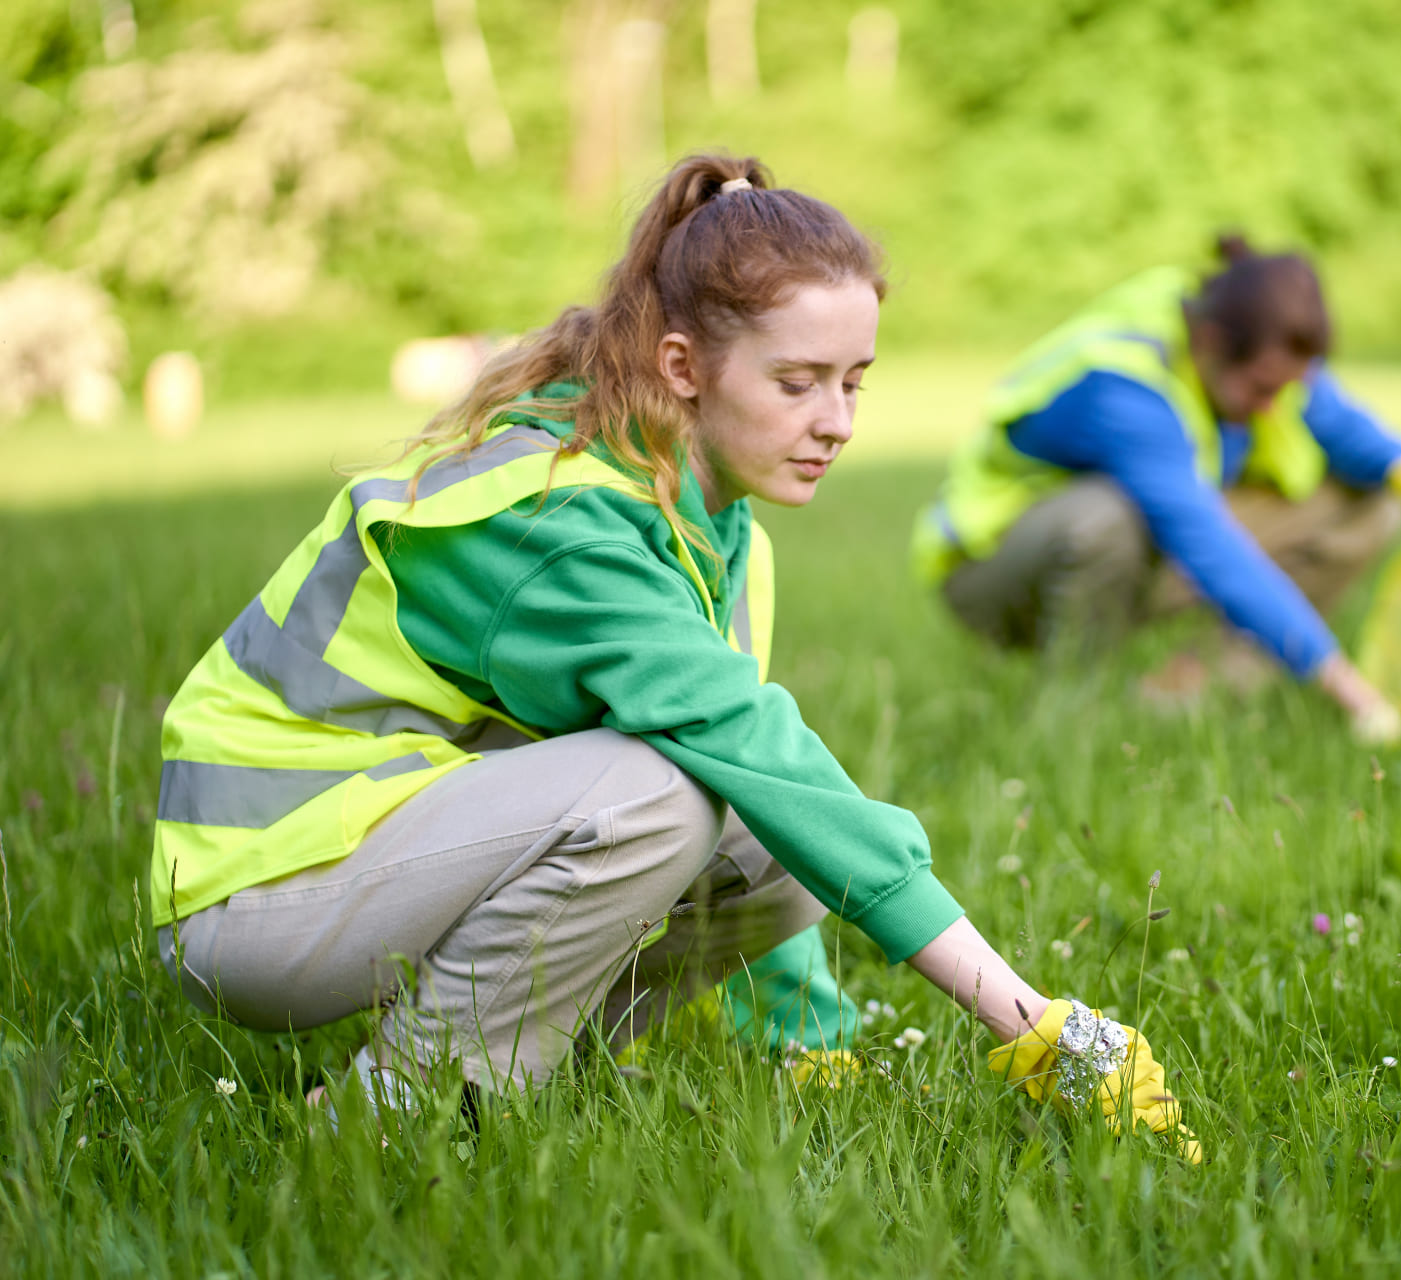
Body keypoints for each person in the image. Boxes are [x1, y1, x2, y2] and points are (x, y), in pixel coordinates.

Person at [149, 153, 1196, 1156]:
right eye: (797, 381)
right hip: (265, 892)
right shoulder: (563, 518)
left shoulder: (713, 519)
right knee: (656, 791)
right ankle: (400, 1113)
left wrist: (813, 1037)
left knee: (758, 817)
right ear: (683, 367)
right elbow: (737, 751)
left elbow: (774, 786)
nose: (835, 422)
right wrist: (1035, 1019)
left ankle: (523, 1073)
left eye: (854, 382)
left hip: (402, 840)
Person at [911, 237, 1401, 742]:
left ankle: (1185, 694)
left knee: (1371, 504)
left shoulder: (1257, 346)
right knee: (1104, 516)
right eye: (1261, 389)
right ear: (1214, 345)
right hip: (997, 575)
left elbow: (1336, 419)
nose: (1274, 405)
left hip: (1139, 558)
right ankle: (1070, 716)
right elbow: (1209, 548)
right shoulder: (1123, 386)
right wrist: (1344, 683)